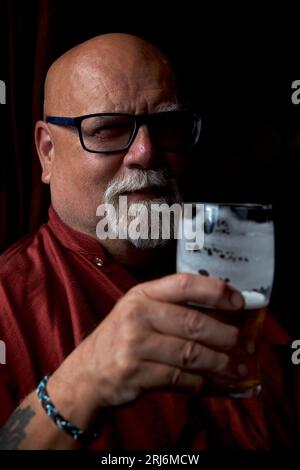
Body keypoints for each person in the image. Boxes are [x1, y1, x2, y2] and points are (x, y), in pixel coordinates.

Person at [0, 33, 296, 450]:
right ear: (47, 152)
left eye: (167, 126)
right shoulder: (6, 305)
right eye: (107, 129)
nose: (145, 151)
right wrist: (81, 384)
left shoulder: (248, 263)